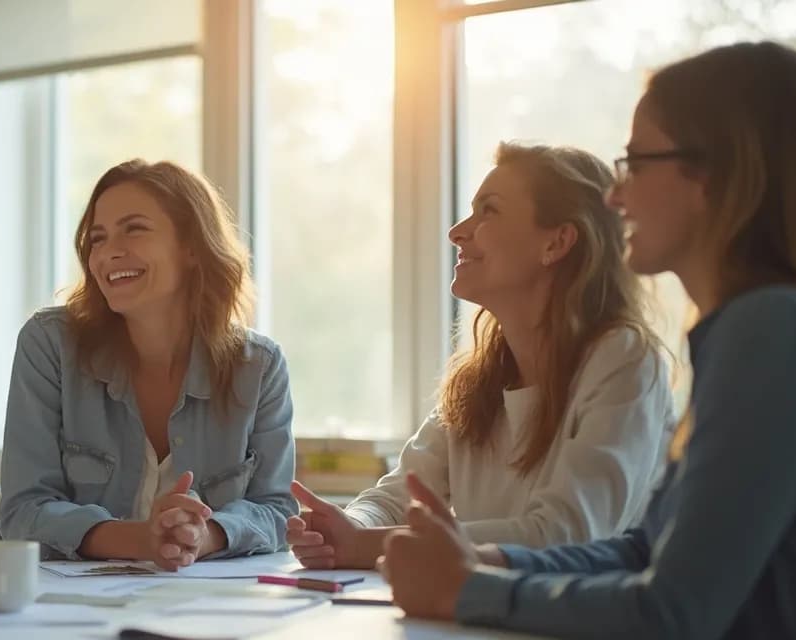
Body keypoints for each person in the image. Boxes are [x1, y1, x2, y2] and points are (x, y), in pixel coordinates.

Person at [383, 42, 796, 639]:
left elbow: (672, 611)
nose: (614, 195)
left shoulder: (776, 331)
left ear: (714, 175)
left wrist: (468, 590)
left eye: (636, 164)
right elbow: (645, 551)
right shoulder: (767, 327)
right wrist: (488, 562)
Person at [287, 143, 673, 569]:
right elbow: (394, 498)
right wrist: (346, 524)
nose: (457, 232)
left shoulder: (625, 359)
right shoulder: (478, 377)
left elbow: (567, 533)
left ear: (557, 242)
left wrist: (364, 543)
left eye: (488, 211)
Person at [0, 159, 298, 569]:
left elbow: (278, 512)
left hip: (210, 612)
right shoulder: (50, 344)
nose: (108, 253)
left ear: (191, 246)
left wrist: (203, 536)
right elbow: (22, 513)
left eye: (134, 229)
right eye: (97, 239)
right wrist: (141, 539)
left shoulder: (258, 367)